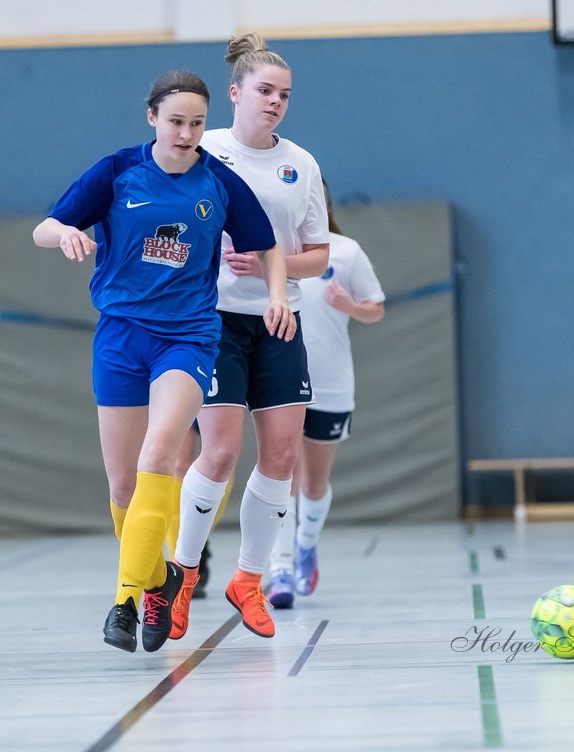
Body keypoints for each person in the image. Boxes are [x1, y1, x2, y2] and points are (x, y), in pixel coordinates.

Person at [32, 70, 288, 653]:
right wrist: (67, 237)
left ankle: (127, 599)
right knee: (123, 483)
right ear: (152, 118)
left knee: (161, 453)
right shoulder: (119, 170)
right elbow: (45, 228)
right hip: (122, 335)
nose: (186, 133)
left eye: (197, 124)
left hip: (189, 337)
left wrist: (276, 292)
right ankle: (162, 575)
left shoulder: (218, 182)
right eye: (176, 121)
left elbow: (265, 243)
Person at [168, 34, 329, 641]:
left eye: (284, 95)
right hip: (212, 321)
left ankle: (249, 579)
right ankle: (182, 573)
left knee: (283, 454)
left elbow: (317, 254)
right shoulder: (201, 151)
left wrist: (274, 265)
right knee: (219, 452)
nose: (275, 103)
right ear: (235, 93)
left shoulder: (301, 164)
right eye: (264, 91)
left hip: (278, 317)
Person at [266, 179, 386, 608]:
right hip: (281, 378)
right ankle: (278, 568)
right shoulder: (268, 249)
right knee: (280, 475)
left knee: (313, 482)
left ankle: (306, 545)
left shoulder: (345, 251)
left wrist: (349, 306)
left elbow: (376, 307)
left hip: (332, 381)